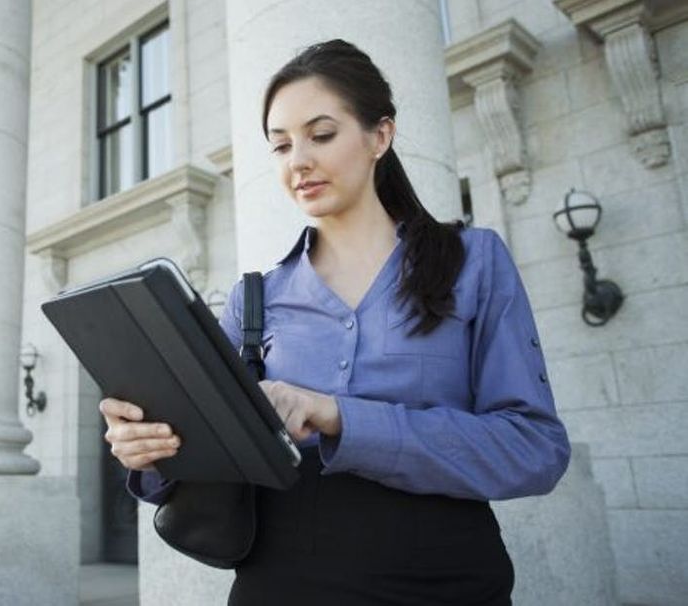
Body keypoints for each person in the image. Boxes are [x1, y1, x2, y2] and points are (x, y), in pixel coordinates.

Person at [99, 39, 570, 605]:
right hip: (283, 582)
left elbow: (534, 449)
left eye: (321, 135)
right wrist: (150, 446)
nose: (299, 160)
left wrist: (338, 415)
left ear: (380, 136)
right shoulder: (255, 299)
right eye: (280, 146)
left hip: (446, 581)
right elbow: (212, 456)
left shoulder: (474, 261)